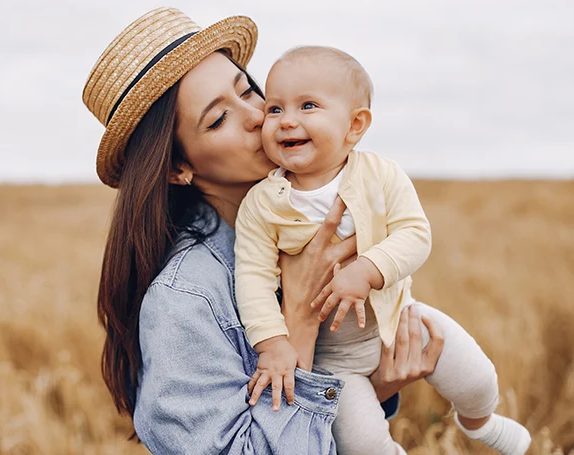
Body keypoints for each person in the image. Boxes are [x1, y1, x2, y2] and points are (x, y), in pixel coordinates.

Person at [82, 8, 444, 454]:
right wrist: (298, 321)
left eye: (249, 91)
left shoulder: (309, 220)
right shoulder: (185, 298)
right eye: (218, 119)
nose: (258, 116)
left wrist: (376, 388)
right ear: (178, 167)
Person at [234, 46, 532, 455]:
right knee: (363, 444)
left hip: (399, 316)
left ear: (354, 125)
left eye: (307, 106)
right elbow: (252, 278)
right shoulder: (262, 204)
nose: (287, 121)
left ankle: (478, 420)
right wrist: (272, 345)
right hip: (332, 357)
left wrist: (368, 269)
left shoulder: (379, 174)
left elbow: (414, 232)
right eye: (273, 109)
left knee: (478, 379)